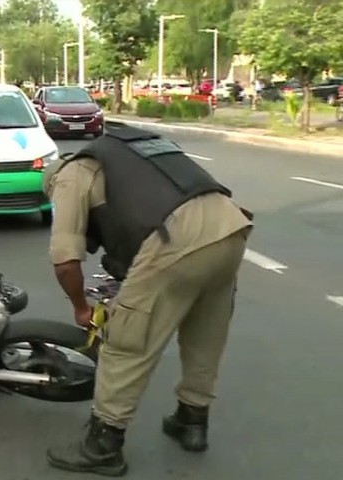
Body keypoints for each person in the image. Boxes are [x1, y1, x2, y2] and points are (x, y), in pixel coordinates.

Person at [41, 122, 254, 477]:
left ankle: (102, 445)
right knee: (205, 332)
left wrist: (81, 308)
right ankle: (192, 420)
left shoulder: (69, 176)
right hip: (230, 227)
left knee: (127, 339)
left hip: (177, 238)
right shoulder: (127, 151)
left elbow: (65, 261)